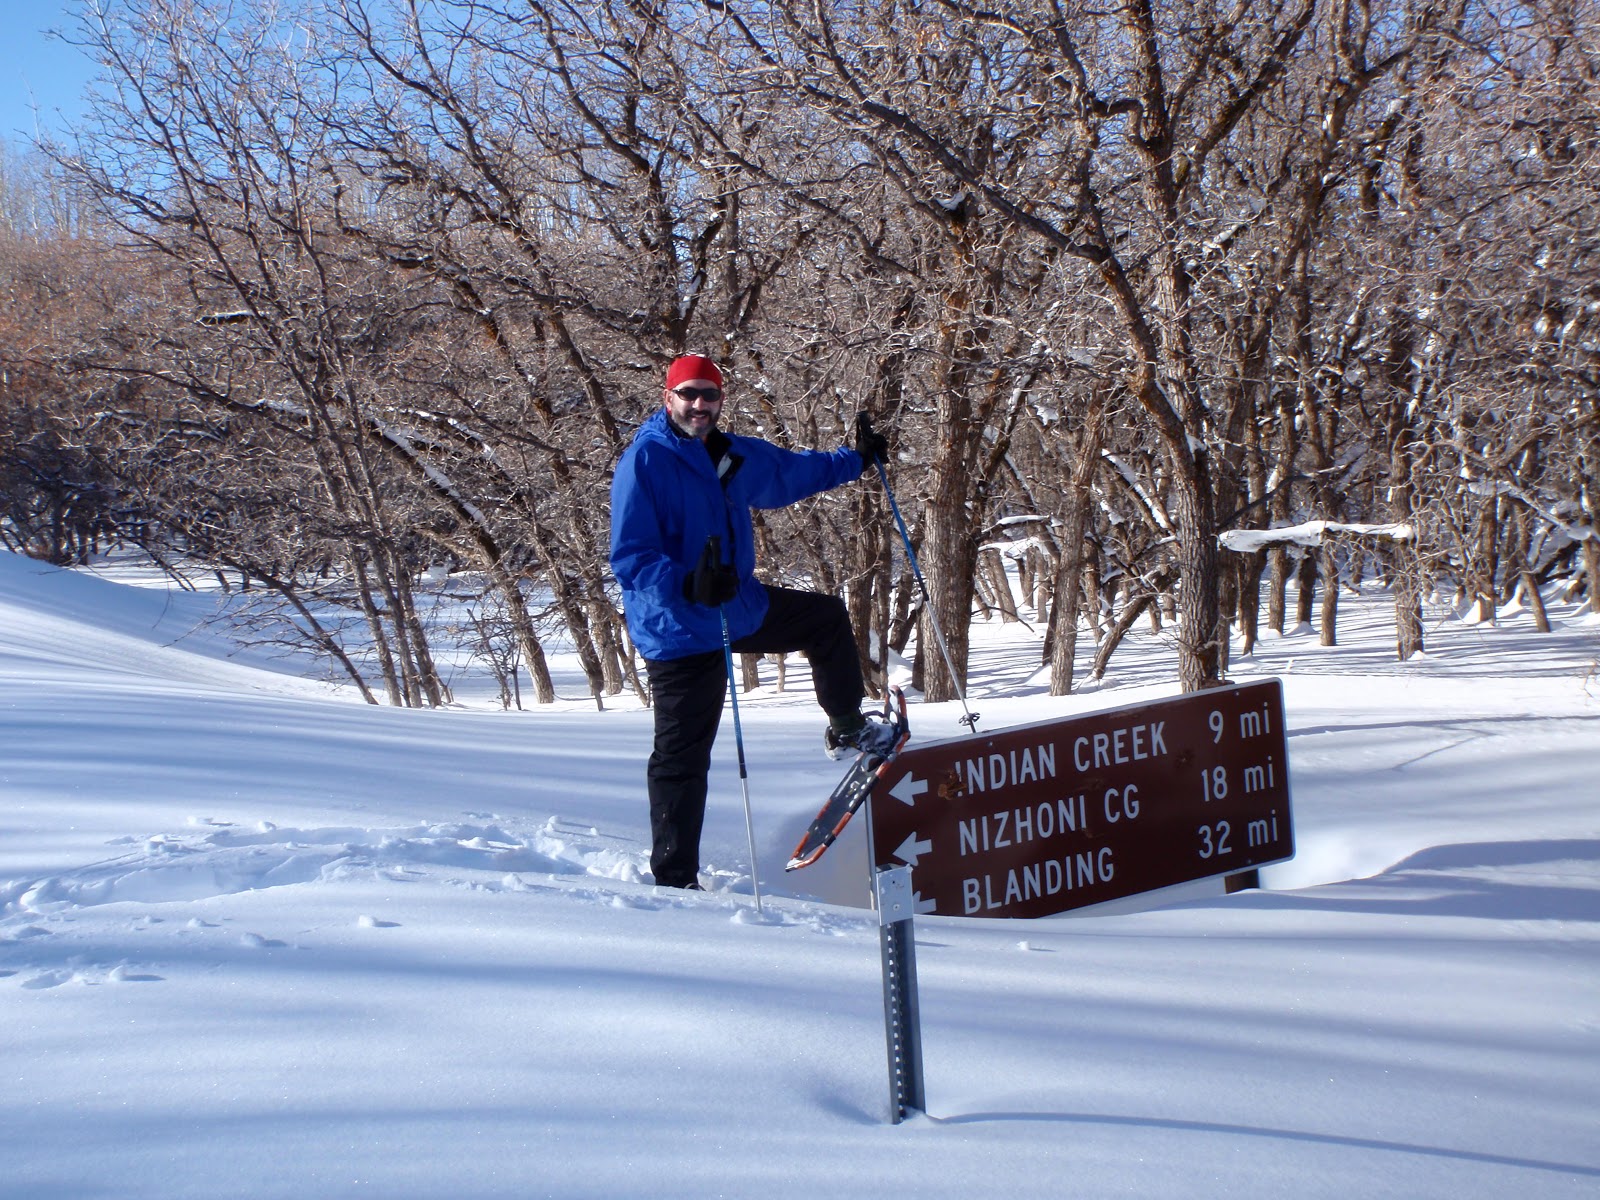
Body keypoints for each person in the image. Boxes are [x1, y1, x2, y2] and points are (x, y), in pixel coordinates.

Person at [610, 354, 895, 890]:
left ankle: (847, 725)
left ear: (721, 399)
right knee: (682, 758)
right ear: (668, 397)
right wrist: (686, 583)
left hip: (736, 608)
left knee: (825, 618)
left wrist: (856, 460)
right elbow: (630, 556)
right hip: (679, 628)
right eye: (689, 393)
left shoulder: (725, 452)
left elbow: (789, 473)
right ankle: (675, 880)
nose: (699, 404)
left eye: (709, 394)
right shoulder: (645, 461)